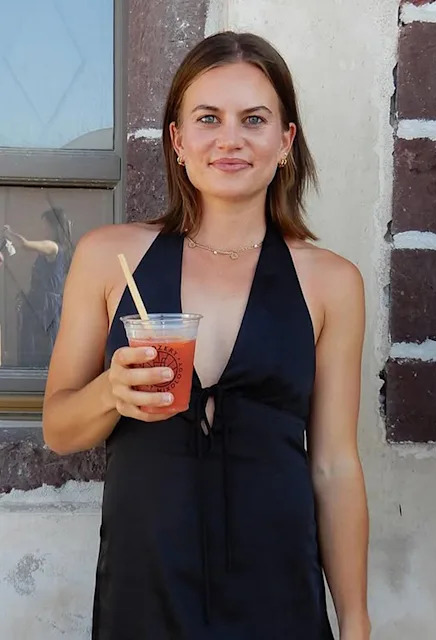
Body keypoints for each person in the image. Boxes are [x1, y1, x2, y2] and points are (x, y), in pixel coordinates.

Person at [41, 31, 370, 640]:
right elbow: (59, 429)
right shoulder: (109, 257)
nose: (230, 138)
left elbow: (334, 465)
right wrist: (111, 391)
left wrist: (355, 620)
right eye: (208, 118)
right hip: (146, 586)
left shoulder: (332, 282)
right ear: (178, 140)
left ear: (285, 142)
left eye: (254, 119)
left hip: (280, 586)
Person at [4, 207, 72, 367]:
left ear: (55, 227)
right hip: (40, 302)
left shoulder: (53, 247)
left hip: (45, 306)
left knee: (39, 345)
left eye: (46, 226)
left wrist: (9, 233)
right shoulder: (56, 249)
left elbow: (24, 244)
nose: (44, 230)